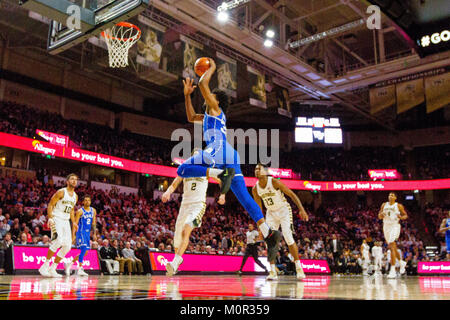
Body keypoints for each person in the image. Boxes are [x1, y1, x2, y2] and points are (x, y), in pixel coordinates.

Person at [176, 62, 281, 262]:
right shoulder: (208, 115)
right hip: (230, 155)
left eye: (211, 96)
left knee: (182, 169)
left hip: (217, 149)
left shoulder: (215, 109)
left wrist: (211, 68)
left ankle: (218, 174)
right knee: (244, 198)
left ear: (216, 101)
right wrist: (187, 95)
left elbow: (204, 85)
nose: (208, 96)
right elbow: (190, 117)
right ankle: (268, 232)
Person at [162, 154, 225, 275]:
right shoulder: (186, 170)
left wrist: (223, 194)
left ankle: (174, 263)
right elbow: (174, 183)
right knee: (177, 238)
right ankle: (176, 263)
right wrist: (167, 192)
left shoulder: (206, 170)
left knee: (187, 228)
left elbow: (222, 180)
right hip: (184, 205)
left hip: (198, 205)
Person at [252, 163, 308, 281]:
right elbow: (258, 209)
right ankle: (272, 271)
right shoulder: (255, 189)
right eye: (255, 169)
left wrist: (301, 209)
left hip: (284, 210)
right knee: (270, 241)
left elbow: (292, 194)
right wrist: (260, 227)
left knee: (288, 238)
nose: (256, 170)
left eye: (259, 168)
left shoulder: (273, 182)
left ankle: (299, 268)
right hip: (270, 213)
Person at [38, 174, 78, 278]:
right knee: (58, 241)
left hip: (66, 220)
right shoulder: (61, 192)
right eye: (72, 179)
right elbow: (50, 204)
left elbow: (72, 210)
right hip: (56, 218)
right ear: (67, 182)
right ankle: (45, 265)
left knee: (67, 246)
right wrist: (50, 217)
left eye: (76, 179)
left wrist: (73, 222)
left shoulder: (75, 196)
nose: (74, 181)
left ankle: (53, 268)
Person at [64, 195, 97, 277]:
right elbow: (75, 224)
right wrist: (73, 235)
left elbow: (94, 223)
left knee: (85, 252)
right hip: (81, 232)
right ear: (83, 202)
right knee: (83, 249)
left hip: (87, 233)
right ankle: (80, 268)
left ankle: (69, 263)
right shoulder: (79, 211)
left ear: (90, 202)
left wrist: (95, 233)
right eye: (85, 200)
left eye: (88, 200)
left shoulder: (93, 210)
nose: (87, 202)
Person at [378, 192, 408, 278]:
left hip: (395, 226)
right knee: (393, 247)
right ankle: (401, 262)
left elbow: (405, 215)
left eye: (392, 195)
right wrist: (381, 215)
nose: (390, 196)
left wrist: (401, 217)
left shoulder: (398, 206)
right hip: (386, 226)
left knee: (391, 246)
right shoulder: (384, 205)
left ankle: (393, 270)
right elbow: (379, 216)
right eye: (389, 195)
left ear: (395, 197)